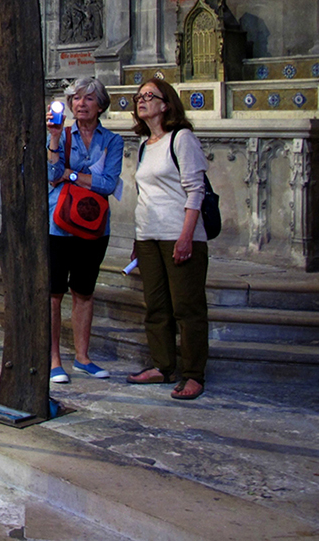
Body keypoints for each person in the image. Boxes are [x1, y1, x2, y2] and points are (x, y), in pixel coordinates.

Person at [128, 78, 210, 401]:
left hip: (179, 234)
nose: (142, 100)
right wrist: (138, 236)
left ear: (166, 104)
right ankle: (163, 365)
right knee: (157, 305)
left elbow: (195, 190)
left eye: (150, 96)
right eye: (140, 96)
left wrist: (187, 235)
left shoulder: (182, 139)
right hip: (148, 235)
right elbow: (144, 193)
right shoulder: (145, 145)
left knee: (187, 307)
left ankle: (193, 374)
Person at [45, 76, 124, 384]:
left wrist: (71, 174)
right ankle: (54, 359)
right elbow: (51, 175)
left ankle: (83, 357)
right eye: (76, 99)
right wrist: (53, 140)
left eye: (88, 98)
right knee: (54, 293)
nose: (81, 104)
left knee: (84, 290)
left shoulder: (112, 141)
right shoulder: (62, 136)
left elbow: (108, 183)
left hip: (93, 224)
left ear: (100, 105)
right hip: (59, 223)